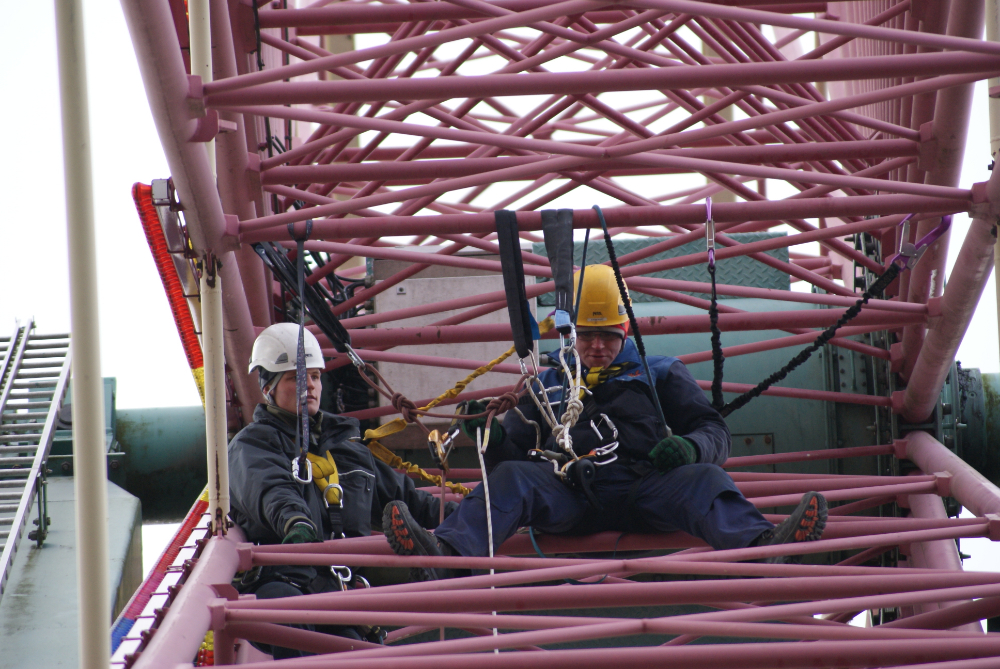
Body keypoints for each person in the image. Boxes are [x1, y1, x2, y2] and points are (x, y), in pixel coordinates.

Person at [383, 265, 827, 578]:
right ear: (570, 334)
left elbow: (713, 431)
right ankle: (445, 555)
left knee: (705, 480)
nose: (597, 347)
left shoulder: (661, 373)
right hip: (572, 495)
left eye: (607, 336)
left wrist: (691, 448)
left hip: (647, 489)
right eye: (587, 336)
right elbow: (513, 456)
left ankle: (767, 550)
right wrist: (493, 436)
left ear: (625, 333)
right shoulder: (548, 384)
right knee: (512, 478)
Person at [228, 323, 455, 656]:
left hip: (342, 588)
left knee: (354, 652)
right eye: (296, 377)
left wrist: (470, 515)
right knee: (290, 628)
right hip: (285, 581)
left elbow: (409, 500)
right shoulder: (251, 446)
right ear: (268, 386)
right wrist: (296, 523)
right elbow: (269, 489)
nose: (311, 386)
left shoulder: (349, 450)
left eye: (316, 377)